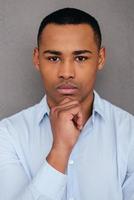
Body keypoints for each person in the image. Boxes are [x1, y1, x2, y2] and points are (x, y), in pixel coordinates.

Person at [0, 7, 134, 200]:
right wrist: (60, 150)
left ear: (100, 58)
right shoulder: (7, 135)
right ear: (37, 59)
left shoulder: (130, 133)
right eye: (54, 58)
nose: (66, 72)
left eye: (80, 58)